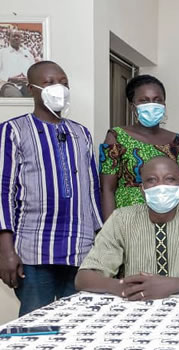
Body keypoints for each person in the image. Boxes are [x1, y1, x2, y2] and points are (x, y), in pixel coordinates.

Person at [0, 61, 102, 316]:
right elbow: (3, 191)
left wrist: (101, 243)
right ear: (31, 89)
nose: (59, 88)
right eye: (49, 83)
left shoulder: (81, 133)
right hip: (33, 249)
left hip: (80, 247)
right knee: (36, 324)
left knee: (78, 322)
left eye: (64, 82)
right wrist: (5, 251)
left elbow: (93, 191)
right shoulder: (13, 131)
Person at [75, 157, 179, 300]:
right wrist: (123, 287)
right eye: (151, 180)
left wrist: (174, 285)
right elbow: (83, 278)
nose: (161, 186)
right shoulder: (122, 218)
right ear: (142, 190)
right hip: (136, 306)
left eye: (169, 179)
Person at [99, 74, 179, 221]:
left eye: (157, 100)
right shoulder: (116, 136)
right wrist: (110, 227)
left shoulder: (177, 142)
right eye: (144, 100)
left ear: (164, 105)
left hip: (169, 218)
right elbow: (107, 189)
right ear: (133, 106)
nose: (152, 104)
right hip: (128, 219)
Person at [0, 28, 35, 97]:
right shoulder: (2, 53)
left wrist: (28, 78)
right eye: (14, 36)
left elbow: (33, 71)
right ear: (8, 38)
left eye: (18, 36)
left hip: (26, 84)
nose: (16, 38)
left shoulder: (28, 54)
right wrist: (9, 78)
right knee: (16, 96)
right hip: (8, 84)